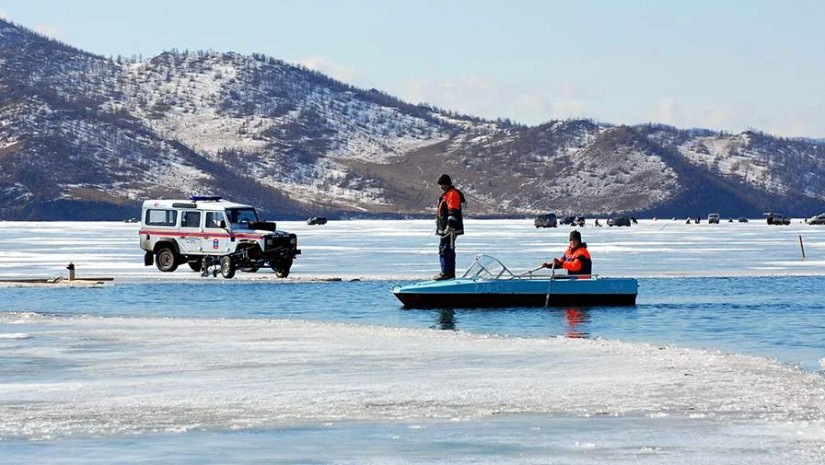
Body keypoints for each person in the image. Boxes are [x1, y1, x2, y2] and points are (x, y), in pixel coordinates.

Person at [434, 174, 465, 280]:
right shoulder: (446, 195)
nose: (442, 187)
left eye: (443, 184)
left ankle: (446, 273)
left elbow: (453, 211)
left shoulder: (452, 194)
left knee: (445, 249)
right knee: (447, 249)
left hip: (450, 229)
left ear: (447, 184)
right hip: (445, 229)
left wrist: (450, 225)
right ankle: (448, 273)